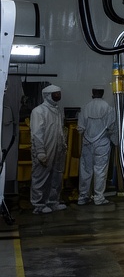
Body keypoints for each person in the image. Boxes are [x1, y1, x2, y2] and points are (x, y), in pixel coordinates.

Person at [29, 85, 68, 214]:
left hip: (57, 149)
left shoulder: (57, 110)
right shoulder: (39, 111)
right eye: (55, 94)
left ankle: (53, 202)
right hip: (45, 148)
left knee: (56, 176)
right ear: (47, 95)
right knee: (41, 177)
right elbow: (37, 133)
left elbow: (60, 130)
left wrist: (62, 144)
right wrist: (40, 152)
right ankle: (39, 205)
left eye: (59, 93)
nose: (58, 96)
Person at [77, 87, 117, 206]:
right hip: (102, 143)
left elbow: (80, 129)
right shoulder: (109, 108)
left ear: (92, 93)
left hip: (87, 143)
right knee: (100, 171)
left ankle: (83, 196)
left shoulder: (85, 107)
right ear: (102, 94)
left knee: (85, 170)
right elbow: (112, 128)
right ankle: (98, 197)